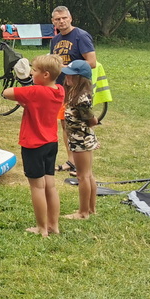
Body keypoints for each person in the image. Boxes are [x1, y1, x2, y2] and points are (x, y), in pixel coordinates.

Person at [2, 54, 65, 237]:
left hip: (34, 144)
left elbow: (6, 93)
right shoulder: (59, 90)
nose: (31, 72)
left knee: (37, 187)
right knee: (50, 186)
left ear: (45, 75)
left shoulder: (36, 91)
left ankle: (41, 228)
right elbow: (37, 104)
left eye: (35, 70)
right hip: (51, 143)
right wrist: (28, 99)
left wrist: (24, 81)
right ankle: (53, 225)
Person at [49, 6, 97, 173]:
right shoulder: (55, 40)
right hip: (62, 87)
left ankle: (83, 164)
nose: (61, 21)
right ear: (53, 22)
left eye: (64, 18)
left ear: (70, 18)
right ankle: (72, 161)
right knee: (65, 123)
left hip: (78, 88)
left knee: (80, 124)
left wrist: (66, 67)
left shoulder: (81, 36)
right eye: (57, 19)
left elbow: (91, 62)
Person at [60, 60, 99, 220]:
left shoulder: (81, 99)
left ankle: (83, 213)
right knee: (88, 175)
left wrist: (90, 133)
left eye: (72, 75)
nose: (67, 78)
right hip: (79, 138)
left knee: (82, 176)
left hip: (80, 140)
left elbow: (92, 120)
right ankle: (91, 209)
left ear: (81, 78)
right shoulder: (75, 94)